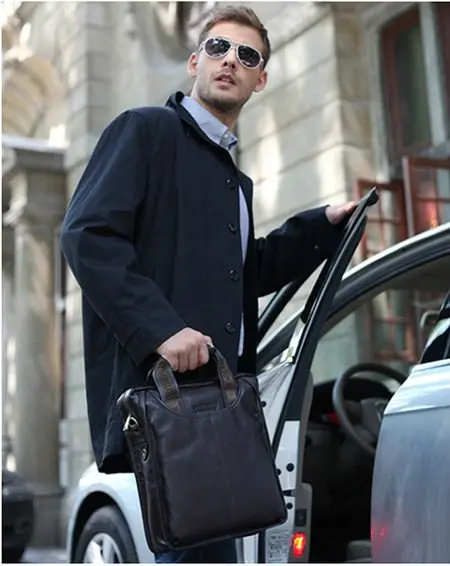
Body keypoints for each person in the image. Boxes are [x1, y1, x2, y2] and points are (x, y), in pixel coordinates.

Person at [61, 4, 356, 563]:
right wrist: (161, 331)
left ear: (259, 80)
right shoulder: (144, 130)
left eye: (247, 56)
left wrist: (319, 227)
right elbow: (87, 237)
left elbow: (244, 272)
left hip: (221, 402)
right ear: (195, 61)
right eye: (218, 48)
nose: (230, 61)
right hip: (171, 403)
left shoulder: (232, 178)